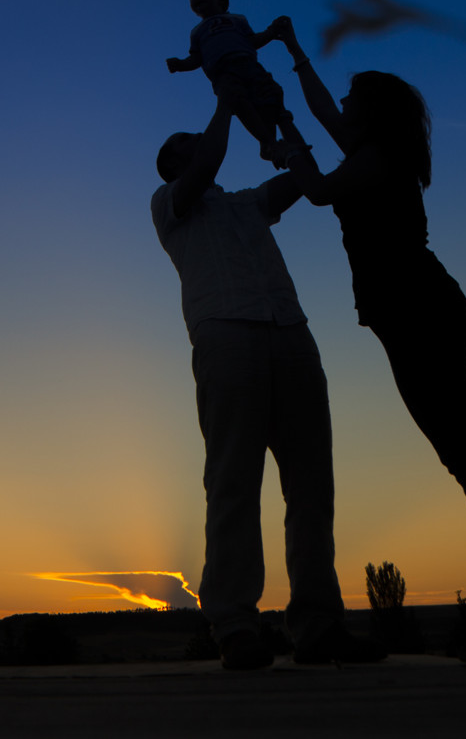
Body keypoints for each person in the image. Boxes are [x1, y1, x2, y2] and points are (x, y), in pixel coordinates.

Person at [270, 20, 466, 656]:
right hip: (416, 312)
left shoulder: (377, 159)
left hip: (420, 310)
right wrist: (292, 53)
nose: (342, 104)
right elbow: (322, 112)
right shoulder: (373, 152)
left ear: (372, 111)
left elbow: (318, 191)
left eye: (352, 98)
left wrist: (289, 149)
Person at [150, 88, 380, 669]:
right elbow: (208, 161)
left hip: (290, 331)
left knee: (312, 482)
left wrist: (284, 125)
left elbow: (304, 182)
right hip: (226, 335)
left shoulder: (247, 203)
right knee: (233, 479)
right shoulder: (170, 204)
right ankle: (234, 625)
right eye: (189, 142)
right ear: (174, 163)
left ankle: (319, 625)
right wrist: (227, 104)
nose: (200, 142)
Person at [165, 0, 295, 164]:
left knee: (270, 95)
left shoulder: (238, 19)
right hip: (223, 73)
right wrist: (180, 65)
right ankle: (269, 142)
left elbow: (252, 41)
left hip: (249, 65)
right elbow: (196, 58)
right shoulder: (197, 32)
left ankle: (268, 142)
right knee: (238, 101)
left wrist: (271, 32)